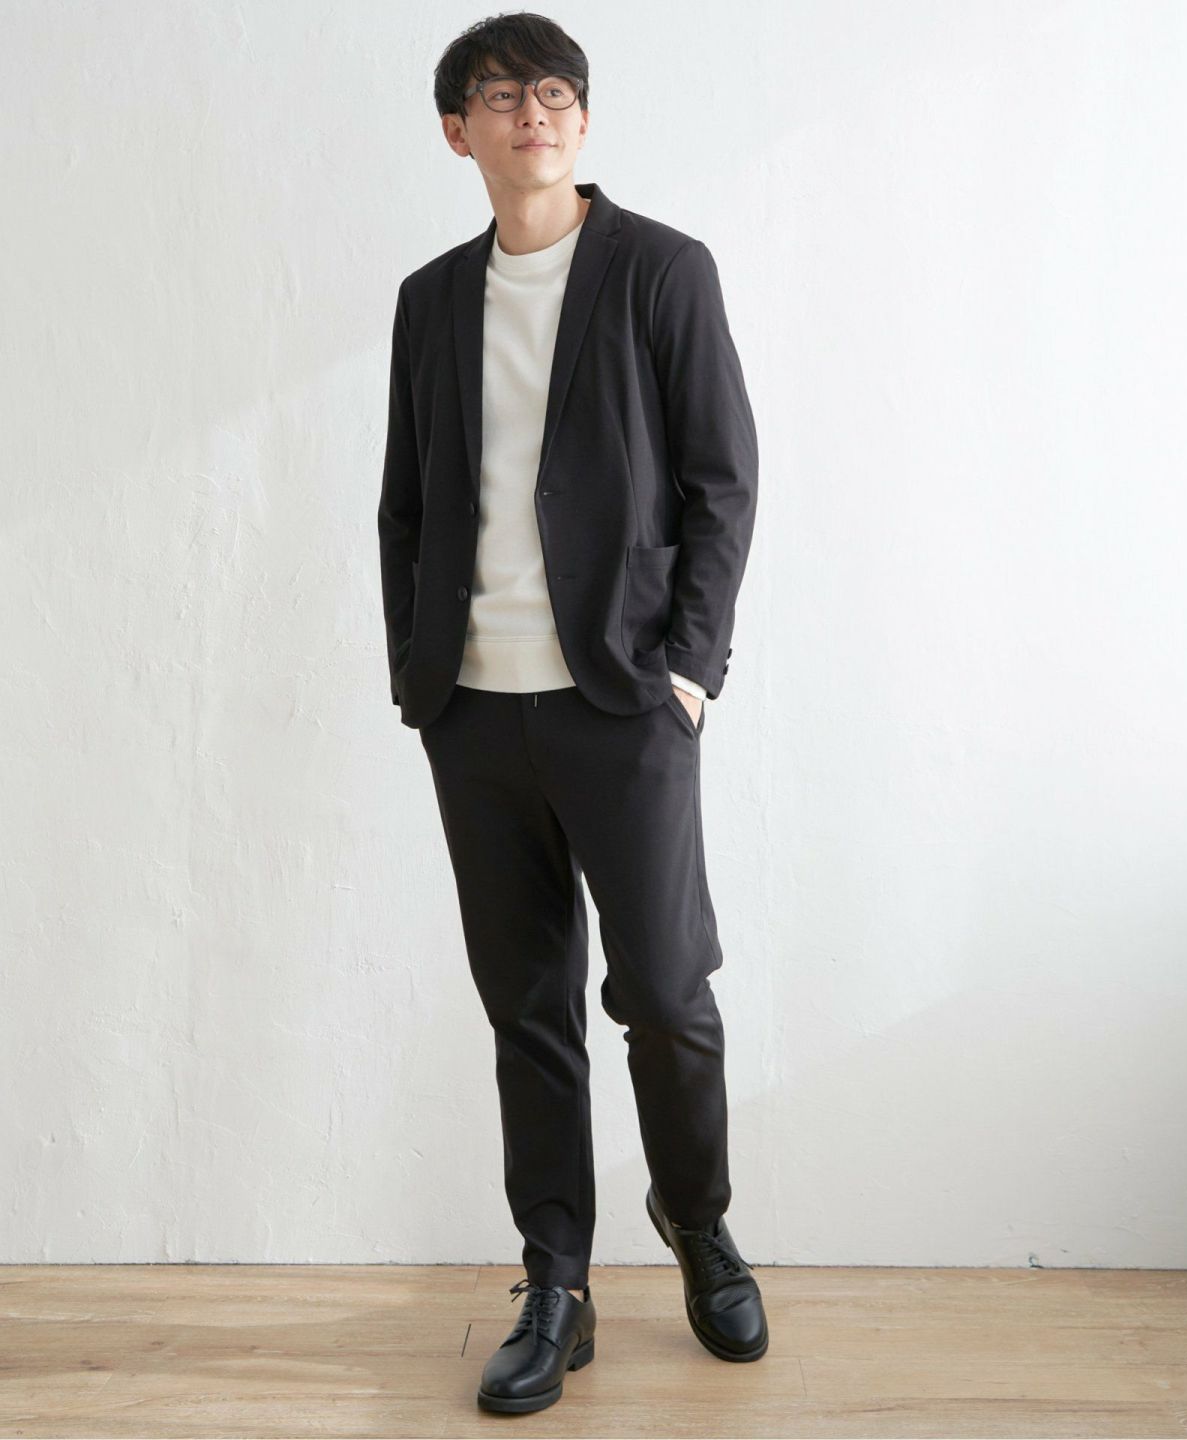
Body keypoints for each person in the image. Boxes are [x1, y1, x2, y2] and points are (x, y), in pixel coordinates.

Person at [377, 11, 766, 1414]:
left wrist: (690, 670)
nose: (532, 112)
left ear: (583, 121)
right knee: (527, 1008)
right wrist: (417, 674)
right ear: (458, 131)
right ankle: (557, 1281)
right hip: (475, 712)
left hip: (625, 702)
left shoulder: (662, 270)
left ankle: (700, 1223)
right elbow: (406, 501)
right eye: (500, 96)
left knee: (666, 993)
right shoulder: (431, 298)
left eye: (554, 92)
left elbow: (724, 477)